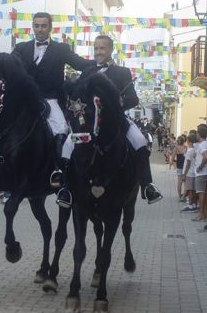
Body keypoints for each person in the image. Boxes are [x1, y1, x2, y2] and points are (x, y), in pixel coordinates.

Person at [58, 35, 162, 207]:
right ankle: (66, 189)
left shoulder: (122, 72)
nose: (99, 52)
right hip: (89, 123)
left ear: (111, 50)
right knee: (68, 144)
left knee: (140, 140)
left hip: (115, 120)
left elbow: (133, 99)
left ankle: (147, 185)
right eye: (96, 48)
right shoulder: (86, 72)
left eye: (102, 48)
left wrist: (121, 102)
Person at [12, 12, 94, 189]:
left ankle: (58, 170)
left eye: (43, 26)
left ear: (50, 28)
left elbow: (79, 64)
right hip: (26, 100)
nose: (40, 30)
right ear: (32, 27)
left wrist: (100, 62)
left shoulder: (61, 49)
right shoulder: (21, 48)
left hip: (50, 99)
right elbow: (10, 65)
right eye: (37, 26)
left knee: (60, 128)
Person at [194, 124, 207, 222]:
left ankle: (201, 214)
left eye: (197, 133)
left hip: (201, 173)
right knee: (206, 194)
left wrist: (200, 167)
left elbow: (205, 156)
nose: (196, 135)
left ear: (199, 134)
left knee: (201, 194)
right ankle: (206, 214)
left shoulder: (202, 145)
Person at [180, 133, 198, 213]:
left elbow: (188, 163)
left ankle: (191, 205)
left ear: (188, 141)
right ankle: (194, 204)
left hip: (189, 173)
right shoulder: (194, 150)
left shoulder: (190, 151)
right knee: (193, 190)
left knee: (190, 190)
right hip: (194, 172)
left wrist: (184, 174)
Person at [170, 135, 187, 201]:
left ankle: (180, 196)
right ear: (184, 141)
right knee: (185, 181)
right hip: (185, 166)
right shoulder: (186, 147)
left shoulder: (176, 148)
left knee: (179, 182)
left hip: (179, 165)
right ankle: (185, 195)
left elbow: (173, 157)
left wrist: (171, 163)